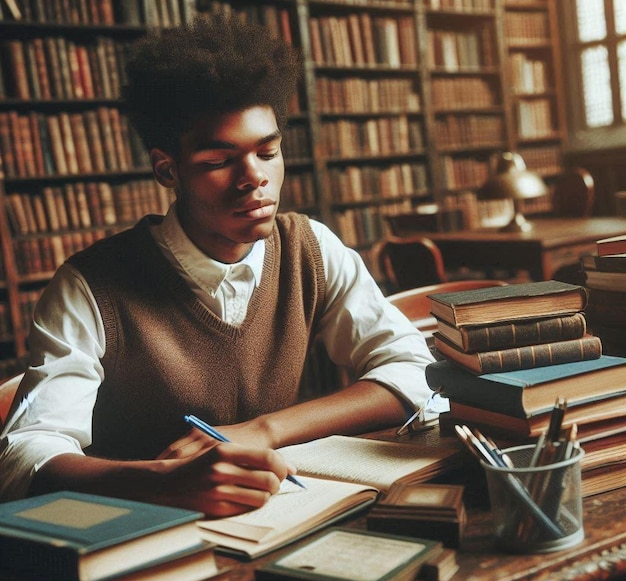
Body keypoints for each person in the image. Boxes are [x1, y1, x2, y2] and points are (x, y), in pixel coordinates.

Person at [0, 14, 434, 517]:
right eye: (218, 161)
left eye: (268, 151)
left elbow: (415, 371)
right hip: (142, 533)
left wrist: (263, 430)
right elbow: (23, 456)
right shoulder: (91, 285)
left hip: (276, 514)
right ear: (168, 169)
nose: (255, 179)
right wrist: (162, 483)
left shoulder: (310, 248)